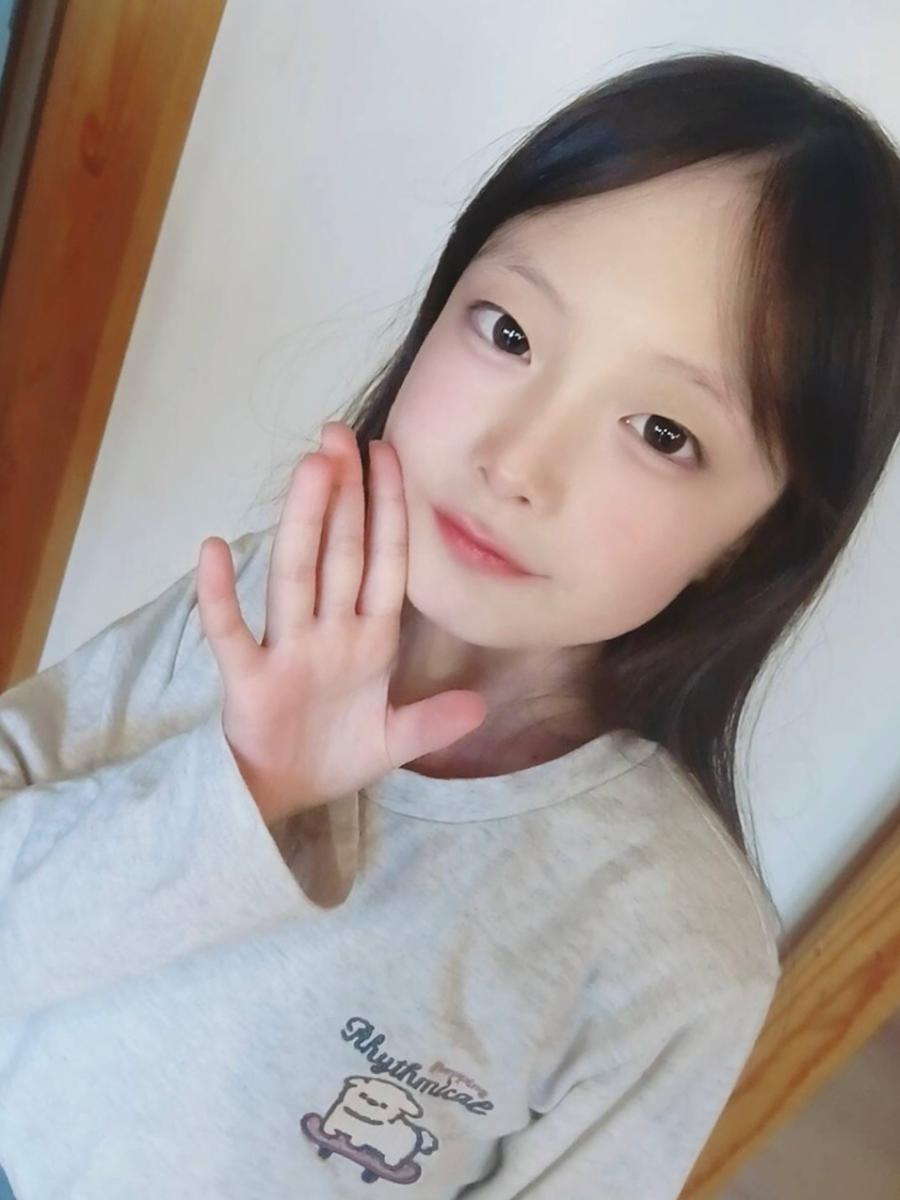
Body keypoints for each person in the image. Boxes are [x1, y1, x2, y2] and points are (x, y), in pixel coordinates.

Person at [1, 49, 899, 1200]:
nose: (515, 461)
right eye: (509, 333)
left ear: (758, 537)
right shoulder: (271, 603)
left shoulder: (679, 950)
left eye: (662, 433)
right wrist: (245, 786)